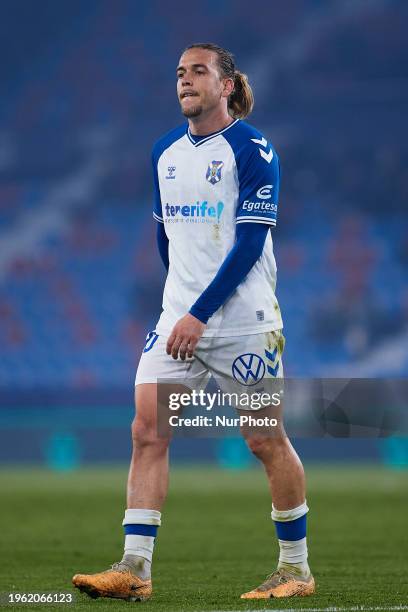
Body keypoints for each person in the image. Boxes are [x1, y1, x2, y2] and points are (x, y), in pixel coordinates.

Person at [72, 42, 315, 602]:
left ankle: (296, 568)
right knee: (147, 432)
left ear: (226, 85)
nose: (185, 80)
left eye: (198, 71)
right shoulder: (164, 152)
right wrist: (181, 307)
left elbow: (252, 241)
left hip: (244, 324)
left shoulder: (254, 149)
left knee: (264, 439)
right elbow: (166, 237)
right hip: (179, 321)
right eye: (180, 73)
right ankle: (135, 568)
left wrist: (200, 313)